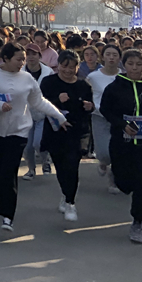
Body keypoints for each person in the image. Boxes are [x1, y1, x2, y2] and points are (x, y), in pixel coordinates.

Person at [0, 42, 68, 231]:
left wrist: (59, 116)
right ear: (6, 58)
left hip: (19, 131)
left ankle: (8, 216)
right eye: (18, 59)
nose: (22, 63)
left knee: (9, 171)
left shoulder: (27, 78)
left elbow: (39, 101)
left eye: (23, 59)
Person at [100, 48, 142, 244]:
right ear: (124, 65)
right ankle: (117, 177)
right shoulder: (114, 87)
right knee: (124, 181)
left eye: (139, 64)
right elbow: (105, 110)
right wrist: (122, 124)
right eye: (130, 64)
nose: (135, 68)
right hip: (121, 143)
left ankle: (138, 222)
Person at [39, 50, 94, 221]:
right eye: (65, 66)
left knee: (72, 166)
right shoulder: (49, 82)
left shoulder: (84, 85)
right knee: (61, 167)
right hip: (55, 131)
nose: (68, 70)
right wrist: (57, 100)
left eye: (72, 67)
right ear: (59, 65)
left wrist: (90, 107)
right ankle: (65, 193)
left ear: (78, 67)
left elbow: (89, 108)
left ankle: (70, 202)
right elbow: (40, 104)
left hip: (77, 131)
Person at [87, 44, 123, 194]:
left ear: (119, 58)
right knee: (103, 153)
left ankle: (113, 181)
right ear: (102, 57)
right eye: (108, 54)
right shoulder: (93, 77)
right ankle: (103, 162)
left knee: (117, 151)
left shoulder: (124, 76)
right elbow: (87, 95)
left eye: (115, 55)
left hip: (119, 118)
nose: (111, 58)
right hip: (99, 116)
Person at [21, 43, 54, 180]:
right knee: (27, 146)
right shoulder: (20, 71)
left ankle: (46, 162)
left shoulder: (48, 72)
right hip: (25, 114)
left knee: (38, 143)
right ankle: (31, 169)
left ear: (40, 56)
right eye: (28, 54)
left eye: (34, 54)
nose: (31, 57)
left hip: (42, 114)